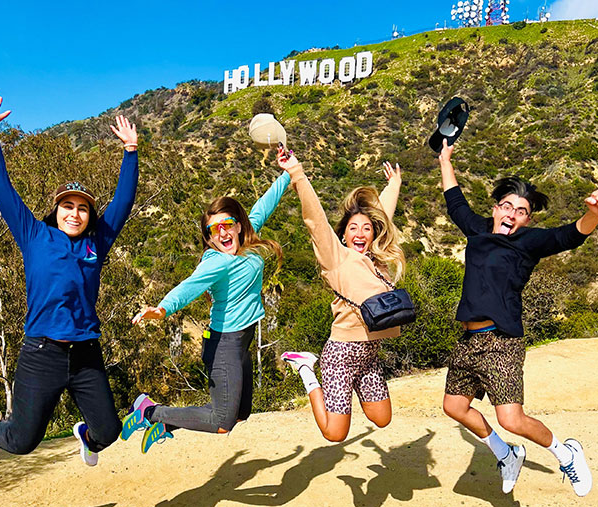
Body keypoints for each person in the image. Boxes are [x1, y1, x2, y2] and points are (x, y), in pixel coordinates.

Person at [0, 94, 139, 467]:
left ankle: (85, 437)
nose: (74, 214)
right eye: (67, 206)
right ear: (56, 210)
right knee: (22, 441)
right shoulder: (35, 236)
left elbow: (123, 203)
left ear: (89, 215)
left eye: (82, 208)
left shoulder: (98, 243)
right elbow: (2, 188)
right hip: (41, 354)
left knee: (108, 433)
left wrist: (130, 151)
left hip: (85, 353)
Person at [437, 137, 598, 496]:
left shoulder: (528, 242)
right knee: (454, 406)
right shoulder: (479, 229)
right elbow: (455, 201)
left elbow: (568, 236)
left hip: (502, 341)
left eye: (520, 211)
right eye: (506, 206)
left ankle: (565, 454)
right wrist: (445, 157)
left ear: (527, 220)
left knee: (510, 418)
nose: (511, 214)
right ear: (496, 208)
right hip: (469, 339)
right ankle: (507, 454)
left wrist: (595, 213)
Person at [124, 160, 290, 453]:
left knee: (240, 414)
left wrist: (289, 173)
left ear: (239, 226)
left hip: (243, 341)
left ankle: (164, 424)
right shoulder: (216, 262)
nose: (222, 233)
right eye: (214, 230)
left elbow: (264, 206)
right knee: (221, 421)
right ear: (209, 236)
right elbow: (189, 286)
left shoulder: (247, 244)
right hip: (224, 343)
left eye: (227, 225)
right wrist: (162, 309)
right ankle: (150, 411)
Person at [277, 146, 405, 442]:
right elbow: (316, 221)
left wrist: (394, 185)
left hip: (369, 356)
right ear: (344, 234)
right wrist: (297, 173)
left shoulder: (378, 260)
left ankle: (343, 390)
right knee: (335, 433)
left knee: (382, 418)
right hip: (341, 357)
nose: (360, 233)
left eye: (366, 229)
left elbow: (383, 215)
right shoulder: (337, 258)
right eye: (353, 228)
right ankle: (306, 369)